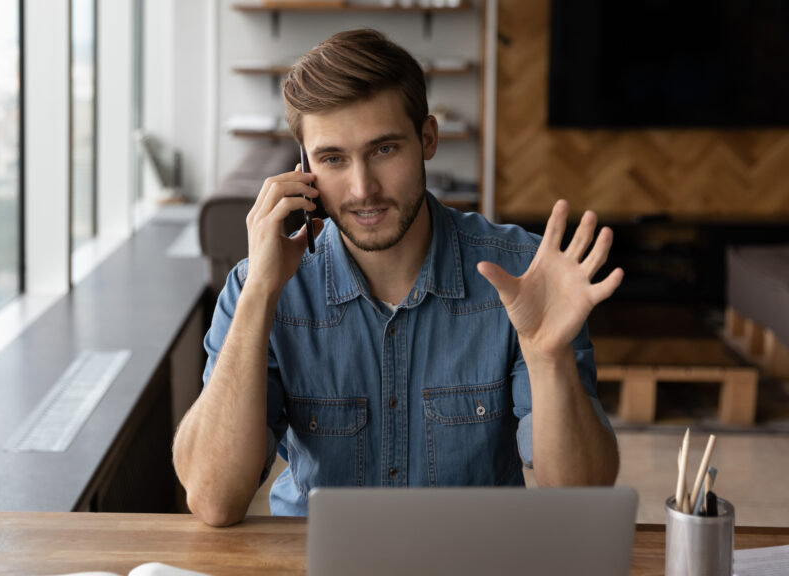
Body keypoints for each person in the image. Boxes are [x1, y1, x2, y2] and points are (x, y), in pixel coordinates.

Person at [173, 28, 622, 527]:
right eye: (333, 159)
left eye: (384, 150)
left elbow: (581, 495)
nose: (363, 189)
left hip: (473, 559)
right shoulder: (259, 284)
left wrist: (548, 358)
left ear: (427, 138)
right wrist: (260, 293)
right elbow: (214, 500)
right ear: (303, 167)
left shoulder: (524, 274)